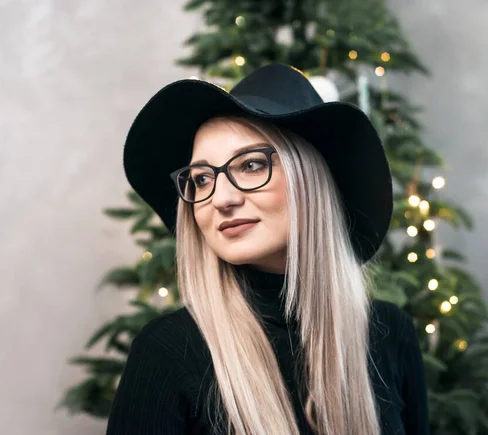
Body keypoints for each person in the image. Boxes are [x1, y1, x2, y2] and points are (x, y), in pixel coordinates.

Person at [106, 63, 429, 435]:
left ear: (309, 179)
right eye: (201, 179)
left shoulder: (389, 333)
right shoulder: (167, 352)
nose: (222, 199)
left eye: (252, 165)